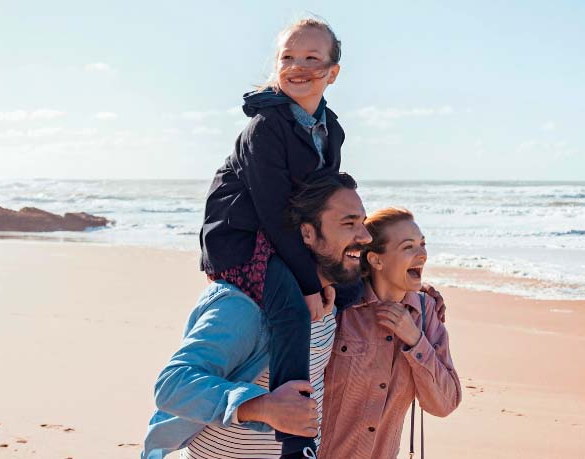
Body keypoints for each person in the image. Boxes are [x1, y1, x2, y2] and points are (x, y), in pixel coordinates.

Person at [143, 173, 372, 459]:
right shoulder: (246, 305)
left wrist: (419, 299)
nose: (365, 236)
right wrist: (262, 407)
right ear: (307, 233)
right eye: (349, 223)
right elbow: (173, 385)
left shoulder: (332, 301)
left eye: (363, 223)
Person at [199, 17, 344, 459]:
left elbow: (325, 202)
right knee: (293, 312)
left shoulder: (331, 130)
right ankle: (295, 437)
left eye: (311, 58)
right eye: (288, 58)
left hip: (283, 233)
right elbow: (270, 211)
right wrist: (307, 283)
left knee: (354, 284)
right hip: (241, 238)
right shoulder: (265, 126)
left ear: (332, 72)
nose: (297, 67)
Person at [319, 208, 462, 459]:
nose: (423, 254)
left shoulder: (427, 313)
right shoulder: (337, 306)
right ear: (376, 260)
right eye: (409, 247)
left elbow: (444, 403)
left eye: (423, 244)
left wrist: (416, 341)